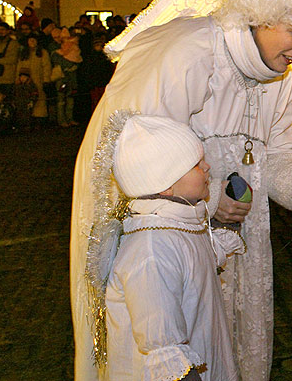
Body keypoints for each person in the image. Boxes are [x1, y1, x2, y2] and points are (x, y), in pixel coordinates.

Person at [70, 0, 292, 381]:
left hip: (239, 238)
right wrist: (212, 196)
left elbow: (278, 155)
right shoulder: (190, 51)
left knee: (228, 347)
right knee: (178, 345)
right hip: (167, 242)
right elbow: (135, 158)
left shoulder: (280, 75)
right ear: (261, 15)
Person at [87, 113, 244, 381]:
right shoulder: (151, 250)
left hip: (206, 351)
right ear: (165, 186)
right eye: (196, 164)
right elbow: (162, 342)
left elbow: (196, 264)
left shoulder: (177, 225)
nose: (207, 167)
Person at [16, 33, 51, 128]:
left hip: (39, 80)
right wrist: (18, 79)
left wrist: (46, 80)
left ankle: (40, 121)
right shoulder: (23, 53)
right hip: (25, 82)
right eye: (30, 40)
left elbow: (47, 67)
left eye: (34, 40)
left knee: (40, 101)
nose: (32, 42)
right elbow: (19, 66)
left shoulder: (43, 53)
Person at [51, 32, 82, 127]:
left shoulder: (74, 51)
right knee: (61, 100)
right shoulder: (56, 53)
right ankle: (62, 120)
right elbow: (61, 62)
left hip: (71, 79)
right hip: (62, 78)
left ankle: (69, 118)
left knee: (70, 99)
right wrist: (70, 66)